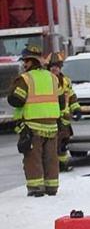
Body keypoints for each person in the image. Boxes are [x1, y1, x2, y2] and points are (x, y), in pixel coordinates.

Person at [7, 45, 64, 197]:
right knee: (51, 158)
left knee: (33, 158)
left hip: (32, 127)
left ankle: (36, 188)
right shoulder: (53, 78)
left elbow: (16, 100)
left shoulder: (25, 79)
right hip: (52, 126)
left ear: (31, 62)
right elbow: (61, 100)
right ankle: (52, 187)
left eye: (25, 61)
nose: (24, 65)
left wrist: (12, 88)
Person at [47, 52, 82, 172]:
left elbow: (71, 96)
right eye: (51, 66)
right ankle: (54, 166)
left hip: (64, 120)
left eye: (56, 65)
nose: (54, 68)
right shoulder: (46, 81)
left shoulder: (66, 81)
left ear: (61, 67)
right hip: (51, 118)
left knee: (62, 144)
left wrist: (76, 108)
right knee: (52, 145)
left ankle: (63, 164)